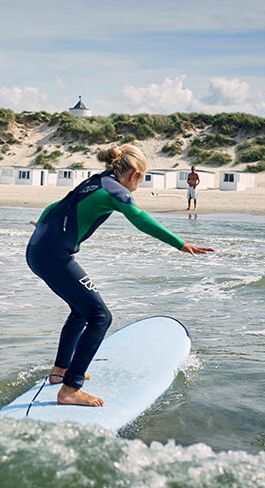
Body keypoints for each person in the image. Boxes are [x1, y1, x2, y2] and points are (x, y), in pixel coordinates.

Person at [26, 145, 214, 407]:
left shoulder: (95, 182)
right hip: (54, 256)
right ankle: (71, 389)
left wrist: (42, 225)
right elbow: (140, 218)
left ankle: (60, 372)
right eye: (141, 179)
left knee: (81, 312)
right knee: (100, 317)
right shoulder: (115, 191)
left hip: (37, 250)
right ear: (134, 174)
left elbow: (55, 206)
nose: (138, 185)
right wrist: (180, 244)